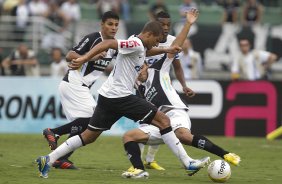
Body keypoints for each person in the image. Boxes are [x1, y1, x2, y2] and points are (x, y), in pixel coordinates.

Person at [35, 10, 193, 179]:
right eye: (155, 40)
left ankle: (48, 159)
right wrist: (84, 58)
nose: (155, 44)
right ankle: (187, 162)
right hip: (119, 96)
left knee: (88, 136)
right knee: (163, 120)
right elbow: (108, 44)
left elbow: (145, 51)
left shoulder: (137, 44)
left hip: (108, 96)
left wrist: (168, 48)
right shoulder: (134, 44)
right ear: (148, 34)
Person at [122, 60, 241, 177]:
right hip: (159, 123)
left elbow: (174, 48)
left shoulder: (159, 70)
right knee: (129, 136)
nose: (139, 72)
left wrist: (184, 85)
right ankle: (138, 169)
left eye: (141, 68)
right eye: (136, 71)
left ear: (147, 65)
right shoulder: (138, 87)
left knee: (183, 135)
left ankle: (225, 154)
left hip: (175, 112)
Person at [42, 11, 119, 169]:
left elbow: (109, 65)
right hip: (74, 84)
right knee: (93, 122)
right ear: (102, 24)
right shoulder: (94, 38)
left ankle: (61, 158)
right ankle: (54, 132)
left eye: (116, 25)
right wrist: (92, 56)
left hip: (80, 87)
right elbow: (69, 55)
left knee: (85, 127)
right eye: (110, 24)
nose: (114, 28)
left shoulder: (114, 46)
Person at [137, 11, 197, 171]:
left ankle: (150, 160)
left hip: (161, 85)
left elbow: (177, 66)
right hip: (142, 85)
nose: (165, 28)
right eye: (162, 24)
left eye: (168, 25)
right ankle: (137, 162)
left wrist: (184, 85)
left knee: (162, 121)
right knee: (145, 122)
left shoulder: (172, 41)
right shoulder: (143, 39)